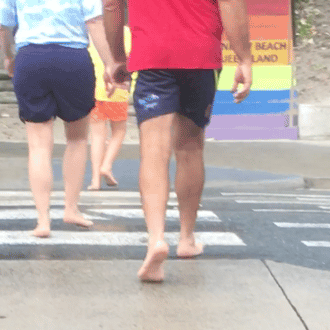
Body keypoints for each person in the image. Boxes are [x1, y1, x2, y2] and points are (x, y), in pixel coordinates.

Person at [102, 0, 254, 282]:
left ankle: (156, 239)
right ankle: (186, 238)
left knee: (153, 150)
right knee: (190, 147)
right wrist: (243, 57)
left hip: (152, 56)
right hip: (200, 55)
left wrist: (117, 56)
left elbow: (111, 5)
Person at [0, 0, 118, 238]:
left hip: (30, 58)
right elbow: (94, 22)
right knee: (77, 139)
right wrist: (109, 64)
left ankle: (43, 220)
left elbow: (2, 26)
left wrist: (9, 57)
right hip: (73, 58)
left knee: (38, 145)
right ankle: (71, 209)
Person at [85, 25, 131, 191]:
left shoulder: (91, 33)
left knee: (97, 135)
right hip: (117, 89)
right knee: (119, 131)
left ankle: (95, 180)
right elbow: (130, 61)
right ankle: (107, 165)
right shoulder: (126, 33)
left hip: (94, 89)